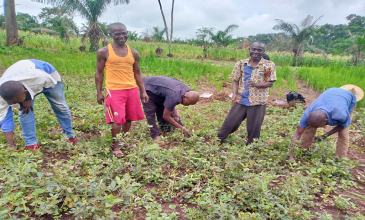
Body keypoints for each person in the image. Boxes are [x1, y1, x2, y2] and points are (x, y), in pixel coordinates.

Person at [95, 22, 149, 158]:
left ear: (127, 33)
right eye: (117, 34)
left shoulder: (133, 52)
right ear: (111, 34)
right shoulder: (104, 52)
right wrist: (99, 92)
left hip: (131, 89)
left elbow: (138, 73)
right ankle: (116, 147)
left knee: (129, 119)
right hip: (114, 90)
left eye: (123, 33)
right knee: (117, 120)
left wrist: (143, 90)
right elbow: (99, 72)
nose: (121, 36)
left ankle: (123, 141)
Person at [0, 59, 77, 150]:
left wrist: (29, 98)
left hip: (47, 74)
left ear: (24, 92)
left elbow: (51, 82)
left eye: (16, 101)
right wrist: (11, 145)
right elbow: (4, 118)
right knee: (25, 111)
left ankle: (70, 136)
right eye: (11, 102)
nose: (13, 104)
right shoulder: (3, 93)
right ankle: (31, 143)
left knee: (60, 107)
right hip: (22, 82)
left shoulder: (39, 77)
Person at [217, 42, 277, 145]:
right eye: (254, 49)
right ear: (249, 49)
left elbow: (270, 83)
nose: (256, 52)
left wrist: (256, 84)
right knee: (231, 121)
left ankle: (251, 145)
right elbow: (235, 80)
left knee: (254, 125)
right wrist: (234, 94)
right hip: (241, 98)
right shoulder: (240, 63)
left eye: (259, 50)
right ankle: (219, 138)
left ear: (263, 51)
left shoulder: (269, 65)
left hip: (258, 100)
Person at [289, 85, 364, 161]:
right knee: (310, 127)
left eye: (319, 126)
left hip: (347, 101)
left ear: (326, 120)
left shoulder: (341, 114)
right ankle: (304, 149)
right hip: (330, 91)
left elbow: (342, 125)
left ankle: (340, 158)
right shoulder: (308, 112)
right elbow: (297, 134)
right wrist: (290, 156)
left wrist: (325, 136)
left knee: (343, 134)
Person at [142, 76, 199, 145]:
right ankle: (155, 136)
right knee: (150, 113)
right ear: (185, 97)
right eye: (188, 103)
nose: (187, 105)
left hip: (159, 89)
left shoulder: (185, 91)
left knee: (162, 108)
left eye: (190, 104)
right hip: (148, 87)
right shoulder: (175, 96)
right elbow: (166, 116)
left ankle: (165, 128)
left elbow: (170, 102)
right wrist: (181, 128)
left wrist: (175, 113)